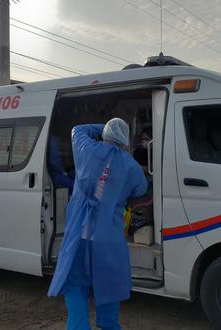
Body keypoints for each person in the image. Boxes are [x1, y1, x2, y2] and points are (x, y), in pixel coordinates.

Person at [48, 118, 148, 330]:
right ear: (124, 139)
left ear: (105, 134)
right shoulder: (130, 165)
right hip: (108, 240)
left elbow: (77, 129)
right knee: (109, 288)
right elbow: (140, 189)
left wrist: (101, 127)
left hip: (80, 237)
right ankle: (109, 325)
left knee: (75, 286)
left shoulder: (86, 149)